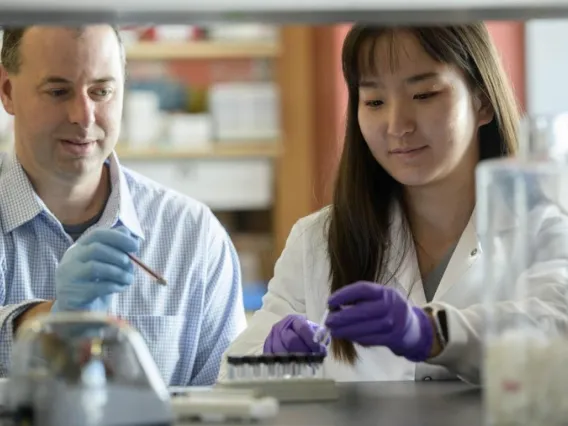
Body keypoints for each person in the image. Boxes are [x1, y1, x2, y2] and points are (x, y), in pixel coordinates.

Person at [218, 23, 568, 384]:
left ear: (483, 102)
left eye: (424, 94)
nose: (397, 125)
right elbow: (232, 375)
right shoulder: (318, 239)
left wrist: (432, 332)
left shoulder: (547, 225)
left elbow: (557, 326)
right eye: (374, 101)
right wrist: (275, 359)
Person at [0, 25, 247, 386]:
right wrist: (43, 324)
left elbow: (227, 403)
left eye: (101, 91)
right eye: (58, 91)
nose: (83, 117)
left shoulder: (192, 235)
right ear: (7, 90)